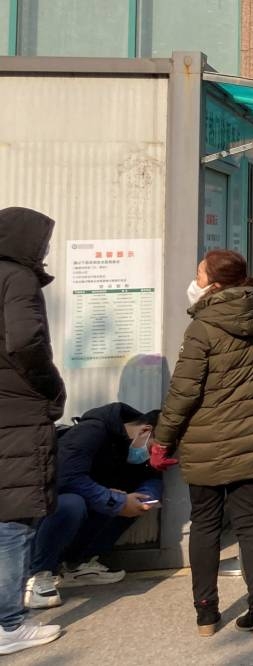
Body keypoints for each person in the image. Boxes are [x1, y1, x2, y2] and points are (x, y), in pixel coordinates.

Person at [153, 250, 253, 638]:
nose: (196, 280)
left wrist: (161, 440)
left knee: (205, 524)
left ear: (215, 285)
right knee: (250, 521)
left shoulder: (202, 327)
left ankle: (206, 614)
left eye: (200, 274)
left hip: (204, 439)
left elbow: (183, 392)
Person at [0, 207, 65, 655]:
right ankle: (8, 622)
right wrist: (50, 386)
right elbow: (26, 341)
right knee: (14, 518)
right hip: (18, 410)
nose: (44, 251)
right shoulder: (16, 279)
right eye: (42, 242)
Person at [24, 404, 164, 609]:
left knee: (133, 501)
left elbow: (152, 477)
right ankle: (38, 574)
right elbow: (65, 478)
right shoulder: (92, 431)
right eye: (154, 448)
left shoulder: (137, 449)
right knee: (73, 504)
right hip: (49, 508)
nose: (154, 456)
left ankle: (77, 565)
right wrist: (112, 499)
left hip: (88, 504)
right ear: (145, 431)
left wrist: (146, 498)